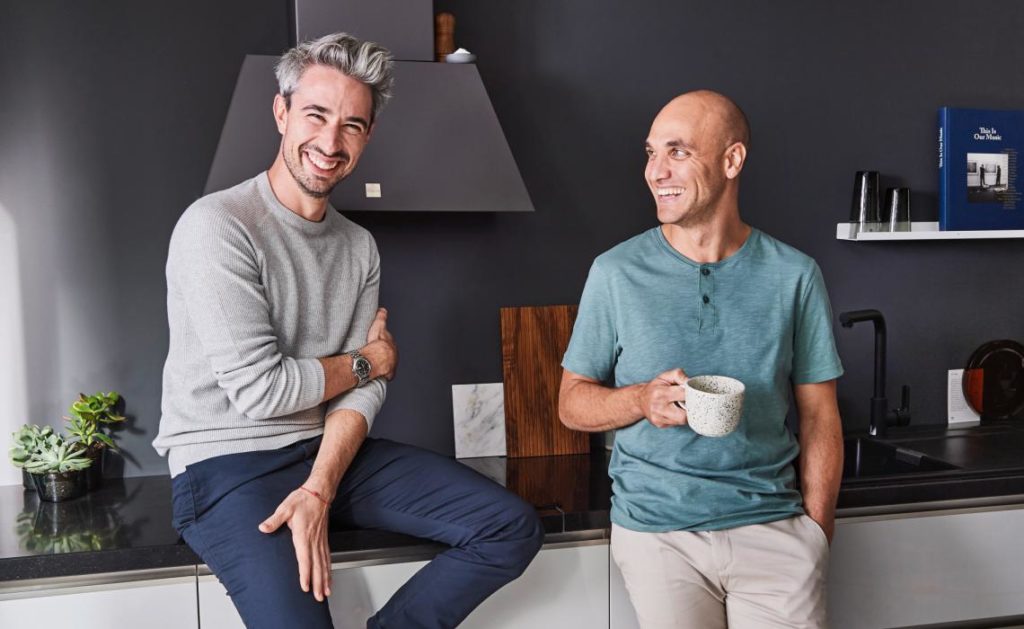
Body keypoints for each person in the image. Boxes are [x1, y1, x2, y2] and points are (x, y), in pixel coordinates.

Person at [152, 33, 543, 629]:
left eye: (353, 125)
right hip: (227, 465)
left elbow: (362, 390)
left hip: (326, 452)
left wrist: (320, 486)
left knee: (510, 527)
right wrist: (366, 361)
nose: (331, 142)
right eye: (316, 115)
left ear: (368, 136)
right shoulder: (217, 227)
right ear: (281, 112)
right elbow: (264, 392)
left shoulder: (358, 247)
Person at [558, 90, 844, 629]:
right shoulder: (616, 272)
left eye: (678, 151)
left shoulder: (794, 275)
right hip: (659, 535)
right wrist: (641, 400)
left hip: (774, 528)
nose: (655, 171)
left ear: (732, 160)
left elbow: (819, 413)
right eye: (650, 152)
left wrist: (816, 532)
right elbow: (571, 404)